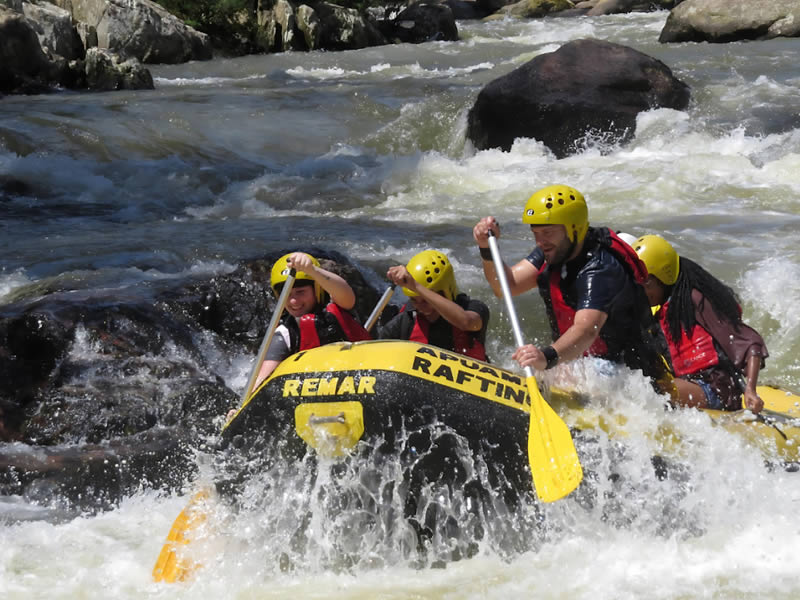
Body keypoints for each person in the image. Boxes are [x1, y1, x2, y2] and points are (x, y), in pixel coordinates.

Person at [472, 184, 668, 384]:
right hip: (582, 361)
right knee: (546, 372)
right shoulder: (553, 251)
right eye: (536, 233)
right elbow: (505, 287)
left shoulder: (601, 268)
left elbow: (586, 330)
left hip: (627, 372)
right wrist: (486, 248)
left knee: (553, 374)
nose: (540, 242)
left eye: (547, 232)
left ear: (574, 228)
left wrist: (546, 357)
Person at [632, 234, 768, 413]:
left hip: (717, 389)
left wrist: (750, 390)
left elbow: (751, 343)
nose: (642, 291)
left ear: (664, 277)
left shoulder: (696, 301)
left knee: (652, 388)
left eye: (647, 283)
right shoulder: (658, 315)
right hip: (690, 384)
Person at [253, 252, 370, 387]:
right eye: (287, 294)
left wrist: (312, 271)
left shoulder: (338, 305)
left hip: (360, 381)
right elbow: (262, 378)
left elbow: (347, 294)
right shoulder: (286, 332)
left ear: (316, 289)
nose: (294, 301)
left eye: (301, 292)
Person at [377, 250, 490, 361]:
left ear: (445, 293)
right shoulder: (405, 321)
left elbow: (467, 322)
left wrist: (416, 286)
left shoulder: (473, 308)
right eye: (414, 300)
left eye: (426, 300)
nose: (421, 307)